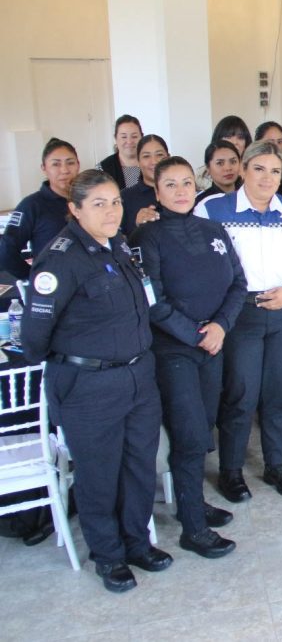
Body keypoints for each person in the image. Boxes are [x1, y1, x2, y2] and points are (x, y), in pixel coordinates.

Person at [23, 169, 171, 593]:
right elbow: (35, 338)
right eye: (99, 204)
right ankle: (109, 556)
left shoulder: (119, 243)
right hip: (89, 385)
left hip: (138, 376)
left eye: (115, 202)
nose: (111, 211)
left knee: (139, 466)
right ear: (75, 209)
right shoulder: (60, 258)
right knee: (98, 474)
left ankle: (137, 543)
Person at [131, 156, 244, 559]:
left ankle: (190, 503)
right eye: (171, 185)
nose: (180, 191)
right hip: (174, 350)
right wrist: (196, 334)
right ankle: (193, 530)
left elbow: (238, 283)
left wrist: (220, 327)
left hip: (213, 344)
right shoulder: (148, 238)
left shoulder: (214, 229)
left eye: (185, 183)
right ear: (157, 192)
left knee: (204, 428)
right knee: (190, 434)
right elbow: (153, 301)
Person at [194, 140, 282, 501]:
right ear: (244, 169)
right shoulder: (212, 209)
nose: (267, 178)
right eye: (260, 169)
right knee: (241, 395)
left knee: (278, 395)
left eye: (276, 171)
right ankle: (232, 471)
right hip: (240, 313)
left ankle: (276, 465)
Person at [1, 138, 80, 279]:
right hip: (55, 289)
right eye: (56, 164)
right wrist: (34, 278)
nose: (64, 170)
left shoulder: (88, 200)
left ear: (78, 165)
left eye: (70, 163)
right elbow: (6, 251)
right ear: (44, 168)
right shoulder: (31, 205)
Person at [120, 134, 168, 237]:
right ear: (138, 161)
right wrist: (137, 225)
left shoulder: (182, 192)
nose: (154, 162)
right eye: (146, 156)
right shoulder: (124, 197)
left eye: (159, 155)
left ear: (168, 157)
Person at [196, 116, 253, 191]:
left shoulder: (254, 168)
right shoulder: (202, 176)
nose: (235, 142)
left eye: (240, 137)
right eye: (228, 136)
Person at [97, 115, 143, 189]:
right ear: (115, 138)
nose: (129, 141)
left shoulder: (151, 164)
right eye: (124, 137)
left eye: (134, 136)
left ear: (141, 137)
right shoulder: (102, 169)